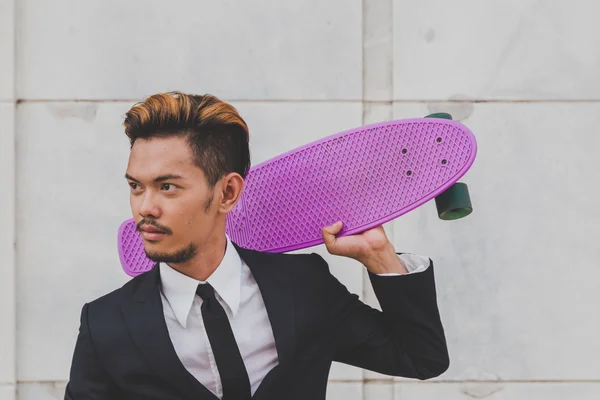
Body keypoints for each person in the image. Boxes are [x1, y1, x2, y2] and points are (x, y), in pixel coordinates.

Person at [64, 92, 449, 400]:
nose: (145, 208)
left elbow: (421, 357)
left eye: (167, 186)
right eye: (135, 186)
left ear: (228, 192)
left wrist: (378, 256)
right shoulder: (106, 323)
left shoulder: (302, 286)